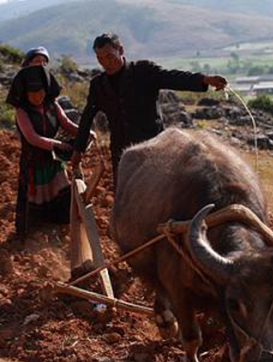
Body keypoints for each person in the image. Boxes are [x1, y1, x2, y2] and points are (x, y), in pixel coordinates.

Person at [72, 32, 228, 188]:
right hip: (122, 155)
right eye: (100, 59)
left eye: (110, 56)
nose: (106, 63)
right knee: (126, 199)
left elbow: (173, 78)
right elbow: (86, 118)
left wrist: (204, 80)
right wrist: (78, 150)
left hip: (154, 150)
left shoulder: (143, 71)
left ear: (121, 50)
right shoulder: (98, 86)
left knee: (159, 195)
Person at [5, 65, 82, 238]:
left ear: (46, 89)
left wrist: (84, 133)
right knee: (37, 196)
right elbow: (32, 138)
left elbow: (67, 124)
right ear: (24, 93)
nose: (37, 96)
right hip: (34, 163)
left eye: (40, 91)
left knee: (60, 189)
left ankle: (60, 227)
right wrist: (57, 144)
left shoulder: (53, 106)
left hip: (54, 161)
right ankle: (34, 235)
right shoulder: (22, 112)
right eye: (32, 93)